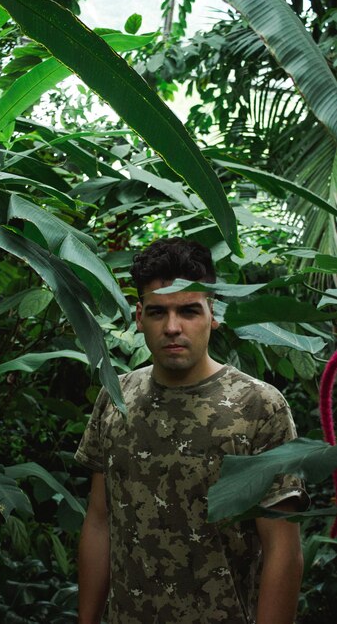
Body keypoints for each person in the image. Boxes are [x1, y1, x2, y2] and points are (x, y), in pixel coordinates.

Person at [75, 237, 308, 624]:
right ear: (138, 317)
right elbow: (99, 521)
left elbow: (283, 548)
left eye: (188, 311)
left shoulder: (259, 406)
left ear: (212, 314)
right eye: (157, 312)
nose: (172, 327)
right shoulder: (116, 396)